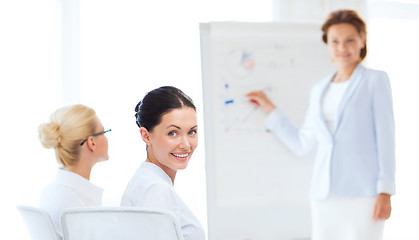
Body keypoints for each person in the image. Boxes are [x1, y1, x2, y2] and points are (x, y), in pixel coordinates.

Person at [247, 10, 395, 240]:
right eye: (335, 41)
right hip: (324, 195)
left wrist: (385, 191)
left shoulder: (375, 80)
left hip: (363, 193)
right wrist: (270, 109)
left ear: (362, 41)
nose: (342, 48)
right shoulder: (319, 90)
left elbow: (386, 139)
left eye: (350, 40)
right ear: (327, 44)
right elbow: (302, 143)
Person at [121, 86, 205, 240]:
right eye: (173, 133)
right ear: (146, 136)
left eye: (191, 131)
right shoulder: (156, 189)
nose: (186, 144)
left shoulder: (148, 180)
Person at [38, 104, 110, 237]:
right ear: (91, 142)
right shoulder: (75, 206)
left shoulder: (52, 191)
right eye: (104, 132)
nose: (107, 138)